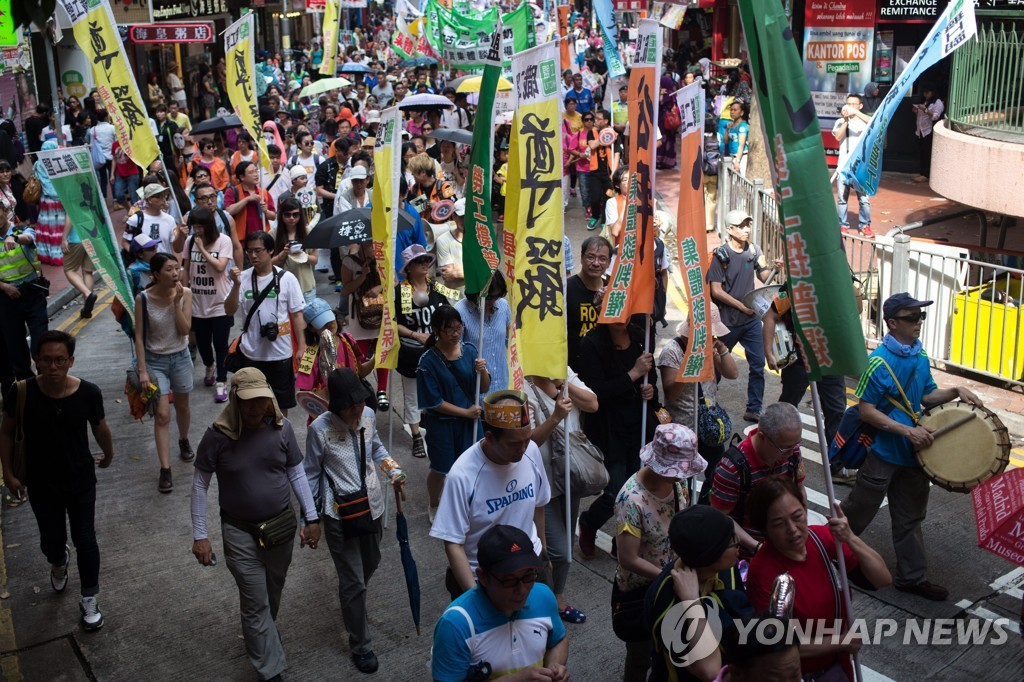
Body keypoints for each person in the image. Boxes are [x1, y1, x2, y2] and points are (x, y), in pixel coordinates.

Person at [841, 292, 983, 602]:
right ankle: (830, 558)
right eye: (911, 317)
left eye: (921, 317)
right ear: (892, 324)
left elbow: (926, 396)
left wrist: (957, 390)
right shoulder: (878, 362)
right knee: (858, 512)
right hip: (883, 454)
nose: (919, 322)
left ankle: (911, 577)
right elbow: (866, 411)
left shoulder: (919, 357)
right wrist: (907, 431)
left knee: (910, 518)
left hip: (914, 456)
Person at [191, 368, 320, 682]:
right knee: (255, 599)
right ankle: (271, 669)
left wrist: (312, 517)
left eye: (260, 401)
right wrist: (200, 535)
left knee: (271, 594)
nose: (253, 408)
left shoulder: (282, 429)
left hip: (280, 528)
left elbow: (297, 473)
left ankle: (261, 635)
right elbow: (199, 485)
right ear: (234, 400)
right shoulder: (216, 436)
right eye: (247, 401)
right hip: (239, 531)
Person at [0, 330, 114, 632]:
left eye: (59, 360)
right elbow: (7, 431)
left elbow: (100, 427)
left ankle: (90, 597)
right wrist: (9, 473)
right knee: (51, 541)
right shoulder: (21, 392)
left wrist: (109, 453)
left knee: (86, 538)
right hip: (41, 482)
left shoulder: (89, 393)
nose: (52, 367)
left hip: (80, 479)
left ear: (71, 361)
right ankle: (58, 559)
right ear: (36, 360)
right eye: (46, 360)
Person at [304, 368, 405, 674]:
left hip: (372, 506)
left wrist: (393, 470)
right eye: (350, 405)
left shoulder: (370, 416)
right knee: (354, 581)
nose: (357, 409)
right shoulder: (319, 430)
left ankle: (352, 599)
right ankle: (361, 645)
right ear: (336, 406)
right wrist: (310, 519)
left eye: (360, 402)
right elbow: (309, 473)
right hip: (338, 514)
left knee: (370, 564)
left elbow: (376, 448)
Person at [747, 476, 892, 680]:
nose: (793, 529)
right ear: (765, 529)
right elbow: (779, 644)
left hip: (838, 667)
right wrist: (840, 642)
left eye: (797, 516)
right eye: (779, 523)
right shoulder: (763, 573)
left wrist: (849, 537)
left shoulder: (822, 538)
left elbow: (882, 578)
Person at [430, 390, 553, 601]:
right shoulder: (462, 475)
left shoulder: (531, 451)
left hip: (531, 566)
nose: (523, 449)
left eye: (527, 439)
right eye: (514, 444)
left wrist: (544, 554)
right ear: (489, 437)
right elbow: (452, 542)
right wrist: (474, 598)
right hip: (487, 579)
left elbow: (538, 506)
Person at [614, 424, 707, 682]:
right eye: (677, 472)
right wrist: (669, 577)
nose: (681, 477)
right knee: (641, 655)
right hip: (644, 591)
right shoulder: (630, 500)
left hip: (672, 582)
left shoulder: (677, 486)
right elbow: (628, 558)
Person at [431, 525, 569, 682]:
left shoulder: (543, 596)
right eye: (509, 580)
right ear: (482, 577)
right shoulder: (455, 625)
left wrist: (554, 668)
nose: (522, 589)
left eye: (529, 576)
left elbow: (558, 640)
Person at [576, 317, 660, 559]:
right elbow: (596, 393)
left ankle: (623, 540)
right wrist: (633, 374)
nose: (621, 320)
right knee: (615, 492)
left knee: (636, 490)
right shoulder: (591, 344)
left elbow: (650, 374)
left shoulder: (638, 335)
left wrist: (650, 387)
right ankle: (589, 522)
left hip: (637, 425)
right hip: (609, 429)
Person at [644, 506, 754, 682]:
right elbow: (710, 671)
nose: (738, 540)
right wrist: (692, 602)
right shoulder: (667, 604)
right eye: (731, 540)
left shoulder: (724, 569)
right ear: (712, 555)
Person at [762, 284, 848, 478]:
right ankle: (772, 457)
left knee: (837, 413)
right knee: (785, 409)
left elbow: (856, 309)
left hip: (830, 360)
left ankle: (837, 466)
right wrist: (768, 352)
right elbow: (770, 315)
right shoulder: (795, 284)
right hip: (799, 360)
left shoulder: (837, 280)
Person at [416, 306, 489, 521]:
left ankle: (470, 503)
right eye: (449, 330)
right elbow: (434, 402)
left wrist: (482, 370)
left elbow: (483, 388)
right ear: (437, 330)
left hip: (471, 422)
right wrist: (465, 413)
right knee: (441, 468)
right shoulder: (427, 362)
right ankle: (434, 503)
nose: (456, 334)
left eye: (458, 328)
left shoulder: (470, 351)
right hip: (443, 424)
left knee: (473, 466)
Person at [707, 209, 779, 423]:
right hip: (726, 322)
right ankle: (707, 402)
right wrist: (742, 306)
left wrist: (775, 269)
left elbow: (765, 276)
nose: (746, 229)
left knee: (758, 365)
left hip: (750, 321)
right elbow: (716, 290)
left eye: (748, 224)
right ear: (730, 230)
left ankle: (754, 408)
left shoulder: (754, 251)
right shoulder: (721, 255)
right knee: (716, 364)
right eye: (741, 226)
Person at [224, 231, 307, 415]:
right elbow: (229, 310)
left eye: (258, 250)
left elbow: (297, 315)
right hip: (251, 354)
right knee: (252, 407)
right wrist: (236, 285)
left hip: (281, 354)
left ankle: (279, 440)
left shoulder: (287, 279)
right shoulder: (243, 278)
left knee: (281, 407)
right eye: (249, 251)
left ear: (270, 251)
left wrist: (301, 346)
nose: (253, 255)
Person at [134, 252, 193, 492]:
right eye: (169, 269)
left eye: (176, 268)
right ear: (156, 274)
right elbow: (138, 336)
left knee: (183, 407)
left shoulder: (185, 293)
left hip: (180, 357)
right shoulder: (143, 299)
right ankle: (165, 469)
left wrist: (176, 303)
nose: (175, 273)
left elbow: (184, 329)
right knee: (162, 415)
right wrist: (142, 371)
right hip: (155, 361)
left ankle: (183, 439)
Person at [706, 402, 806, 544]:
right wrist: (757, 547)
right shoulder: (731, 469)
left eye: (797, 444)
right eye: (785, 449)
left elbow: (799, 488)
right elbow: (721, 517)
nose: (792, 452)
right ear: (762, 437)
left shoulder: (792, 452)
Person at [657, 305, 738, 470]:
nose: (711, 336)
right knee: (681, 478)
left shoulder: (710, 348)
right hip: (682, 429)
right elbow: (671, 394)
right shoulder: (671, 351)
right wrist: (690, 367)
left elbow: (732, 373)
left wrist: (721, 349)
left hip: (709, 423)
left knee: (716, 474)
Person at [394, 243, 451, 459]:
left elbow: (448, 308)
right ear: (409, 267)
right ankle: (416, 435)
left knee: (438, 388)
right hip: (412, 353)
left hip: (436, 351)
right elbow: (396, 322)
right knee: (412, 394)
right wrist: (415, 335)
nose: (425, 264)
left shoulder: (435, 287)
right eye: (419, 261)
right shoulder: (403, 292)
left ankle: (430, 422)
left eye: (427, 260)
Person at [180, 207, 234, 403]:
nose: (198, 231)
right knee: (202, 344)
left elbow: (220, 267)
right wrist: (185, 291)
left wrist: (202, 249)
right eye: (194, 227)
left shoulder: (223, 241)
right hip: (197, 303)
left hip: (220, 303)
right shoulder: (189, 241)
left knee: (220, 345)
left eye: (200, 226)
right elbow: (186, 268)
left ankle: (221, 381)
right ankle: (209, 365)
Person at [0, 203, 48, 383]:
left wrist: (15, 238)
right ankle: (27, 394)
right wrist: (5, 287)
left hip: (32, 293)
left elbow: (29, 238)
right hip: (6, 298)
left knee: (41, 346)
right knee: (16, 352)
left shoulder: (22, 230)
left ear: (5, 212)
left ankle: (46, 385)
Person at [339, 241, 388, 409]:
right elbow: (346, 289)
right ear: (361, 243)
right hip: (359, 316)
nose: (372, 246)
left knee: (383, 351)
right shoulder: (349, 261)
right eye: (368, 243)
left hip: (381, 313)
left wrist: (379, 287)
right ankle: (360, 387)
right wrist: (362, 276)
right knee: (358, 353)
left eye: (374, 242)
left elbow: (394, 281)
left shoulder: (384, 257)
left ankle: (382, 390)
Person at [453, 272, 511, 397]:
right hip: (477, 388)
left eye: (497, 296)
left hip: (502, 383)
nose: (493, 301)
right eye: (489, 297)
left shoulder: (503, 306)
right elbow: (456, 352)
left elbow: (508, 340)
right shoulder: (460, 311)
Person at [566, 235, 612, 372]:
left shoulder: (612, 292)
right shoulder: (565, 290)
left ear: (609, 263)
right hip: (573, 369)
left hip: (604, 367)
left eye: (602, 259)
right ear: (581, 257)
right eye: (591, 257)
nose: (596, 263)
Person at [832, 94, 873, 238]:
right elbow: (837, 136)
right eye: (848, 103)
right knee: (842, 199)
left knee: (864, 199)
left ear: (860, 106)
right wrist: (845, 121)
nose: (850, 106)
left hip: (860, 168)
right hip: (843, 167)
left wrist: (856, 113)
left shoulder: (863, 121)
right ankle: (843, 225)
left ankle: (865, 225)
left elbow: (873, 123)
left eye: (854, 104)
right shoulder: (839, 121)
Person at [270, 197, 318, 303]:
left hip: (306, 286)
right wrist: (282, 254)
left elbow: (315, 260)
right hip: (283, 287)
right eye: (287, 214)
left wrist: (303, 255)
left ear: (301, 215)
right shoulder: (274, 234)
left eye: (295, 214)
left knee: (308, 318)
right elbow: (267, 264)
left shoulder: (308, 232)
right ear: (281, 215)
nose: (291, 218)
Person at [31, 138, 66, 265]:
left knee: (46, 228)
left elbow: (35, 179)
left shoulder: (37, 164)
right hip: (58, 200)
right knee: (57, 229)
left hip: (45, 201)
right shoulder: (57, 162)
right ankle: (58, 255)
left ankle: (45, 255)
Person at [225, 161, 276, 242]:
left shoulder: (263, 192)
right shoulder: (232, 191)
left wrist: (266, 211)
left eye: (256, 171)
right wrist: (247, 199)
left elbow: (273, 216)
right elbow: (229, 211)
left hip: (262, 237)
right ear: (242, 177)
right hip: (241, 239)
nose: (256, 174)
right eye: (251, 172)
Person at [122, 184, 178, 256]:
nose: (163, 199)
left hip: (165, 264)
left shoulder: (170, 219)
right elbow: (125, 242)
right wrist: (138, 257)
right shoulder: (135, 220)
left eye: (164, 196)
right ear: (149, 200)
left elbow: (176, 247)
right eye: (159, 197)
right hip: (144, 266)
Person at [912, 84, 944, 184]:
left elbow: (935, 116)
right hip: (921, 130)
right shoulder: (926, 101)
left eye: (927, 93)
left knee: (927, 152)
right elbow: (922, 116)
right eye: (924, 93)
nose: (925, 95)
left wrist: (925, 109)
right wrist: (916, 110)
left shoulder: (937, 102)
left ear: (932, 92)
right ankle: (922, 173)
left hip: (929, 130)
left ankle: (927, 174)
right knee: (922, 152)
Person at [724, 100, 750, 177]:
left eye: (735, 110)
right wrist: (727, 129)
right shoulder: (732, 125)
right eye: (731, 110)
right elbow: (725, 141)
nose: (732, 112)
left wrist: (737, 161)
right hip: (732, 156)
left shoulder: (742, 126)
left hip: (741, 157)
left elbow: (741, 145)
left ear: (741, 113)